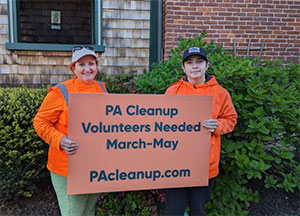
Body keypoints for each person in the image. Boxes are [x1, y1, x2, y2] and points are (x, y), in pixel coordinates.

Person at [33, 46, 107, 216]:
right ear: (73, 68)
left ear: (97, 65)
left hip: (93, 165)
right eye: (81, 64)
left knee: (89, 211)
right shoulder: (61, 91)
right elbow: (40, 122)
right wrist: (60, 140)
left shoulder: (101, 88)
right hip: (66, 167)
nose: (87, 69)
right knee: (74, 212)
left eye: (91, 63)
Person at [164, 46, 238, 216]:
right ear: (183, 68)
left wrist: (218, 125)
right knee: (173, 211)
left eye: (199, 62)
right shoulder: (173, 91)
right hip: (176, 164)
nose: (195, 66)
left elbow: (231, 119)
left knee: (198, 210)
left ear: (207, 65)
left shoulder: (220, 93)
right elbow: (161, 123)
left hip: (205, 165)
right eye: (189, 63)